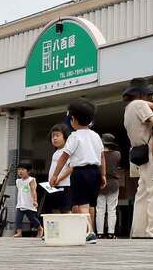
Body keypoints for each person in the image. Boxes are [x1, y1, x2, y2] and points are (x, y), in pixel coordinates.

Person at [51, 98, 105, 244]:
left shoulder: (74, 136)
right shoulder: (95, 136)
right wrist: (103, 174)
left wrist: (55, 175)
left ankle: (90, 232)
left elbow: (64, 157)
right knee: (90, 204)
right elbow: (102, 156)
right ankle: (89, 231)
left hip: (80, 173)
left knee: (82, 205)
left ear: (73, 119)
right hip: (95, 172)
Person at [123, 78, 153, 238]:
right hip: (150, 150)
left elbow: (152, 108)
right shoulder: (140, 105)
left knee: (142, 192)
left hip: (137, 152)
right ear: (142, 93)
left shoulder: (129, 108)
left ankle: (139, 230)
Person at [95, 133, 121, 238]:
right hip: (113, 184)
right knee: (112, 209)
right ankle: (111, 233)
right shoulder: (117, 154)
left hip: (100, 184)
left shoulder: (97, 154)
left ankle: (100, 233)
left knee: (100, 210)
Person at [10, 163, 43, 239]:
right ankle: (19, 233)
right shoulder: (18, 181)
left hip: (29, 204)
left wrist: (35, 200)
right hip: (20, 203)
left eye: (22, 170)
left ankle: (40, 229)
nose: (20, 171)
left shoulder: (31, 180)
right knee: (18, 218)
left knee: (32, 218)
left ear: (28, 171)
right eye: (19, 170)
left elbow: (33, 191)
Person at [45, 124, 72, 213]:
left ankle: (69, 227)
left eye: (57, 135)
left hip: (64, 185)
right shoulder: (55, 152)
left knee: (65, 210)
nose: (55, 138)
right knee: (55, 209)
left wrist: (59, 178)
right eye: (53, 136)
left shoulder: (67, 151)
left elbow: (70, 168)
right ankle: (59, 227)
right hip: (53, 185)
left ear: (65, 136)